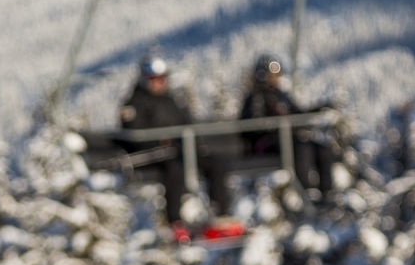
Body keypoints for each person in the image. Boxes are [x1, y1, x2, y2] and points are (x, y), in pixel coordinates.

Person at [119, 54, 241, 242]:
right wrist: (159, 141)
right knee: (175, 170)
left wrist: (192, 142)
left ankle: (221, 215)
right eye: (153, 79)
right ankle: (174, 222)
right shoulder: (135, 102)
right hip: (153, 155)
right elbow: (134, 132)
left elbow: (186, 123)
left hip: (179, 150)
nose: (158, 83)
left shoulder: (171, 100)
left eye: (161, 79)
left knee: (216, 164)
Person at [240, 53, 336, 201]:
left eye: (276, 75)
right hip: (267, 143)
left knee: (322, 148)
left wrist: (318, 109)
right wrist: (276, 126)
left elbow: (297, 113)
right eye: (272, 75)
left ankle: (327, 193)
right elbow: (253, 124)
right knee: (302, 148)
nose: (275, 79)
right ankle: (306, 192)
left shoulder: (280, 95)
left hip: (287, 139)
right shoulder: (256, 97)